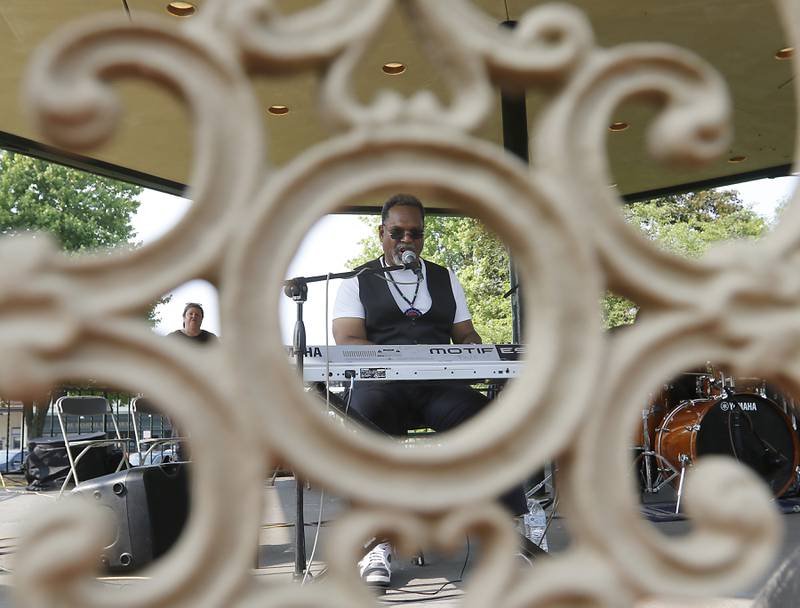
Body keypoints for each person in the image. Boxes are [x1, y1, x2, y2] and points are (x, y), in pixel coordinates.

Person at [332, 194, 528, 587]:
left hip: (439, 387)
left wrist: (478, 348)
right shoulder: (357, 280)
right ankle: (378, 542)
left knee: (488, 419)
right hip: (381, 386)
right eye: (397, 232)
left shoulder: (444, 278)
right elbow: (347, 339)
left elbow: (464, 334)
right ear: (381, 233)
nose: (407, 240)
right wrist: (398, 357)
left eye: (415, 233)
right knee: (363, 418)